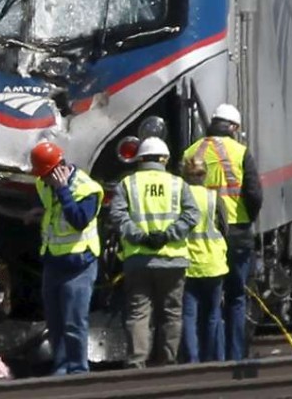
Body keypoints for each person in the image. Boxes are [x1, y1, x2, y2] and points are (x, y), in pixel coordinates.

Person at [180, 104, 262, 361]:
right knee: (236, 297)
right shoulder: (240, 151)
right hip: (237, 233)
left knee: (203, 303)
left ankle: (205, 359)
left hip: (200, 238)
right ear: (234, 128)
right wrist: (247, 218)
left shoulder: (191, 152)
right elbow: (254, 194)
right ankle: (234, 356)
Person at [108, 137, 198, 368]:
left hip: (138, 259)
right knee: (171, 313)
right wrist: (168, 235)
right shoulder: (179, 184)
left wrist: (141, 237)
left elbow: (118, 217)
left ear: (139, 159)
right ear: (164, 159)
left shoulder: (127, 184)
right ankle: (168, 361)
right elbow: (191, 215)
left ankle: (137, 362)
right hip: (172, 259)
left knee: (138, 314)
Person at [30, 141, 104, 375]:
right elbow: (54, 211)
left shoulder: (86, 188)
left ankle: (78, 371)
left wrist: (63, 190)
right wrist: (38, 213)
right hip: (53, 261)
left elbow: (80, 219)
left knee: (74, 322)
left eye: (46, 175)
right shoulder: (45, 185)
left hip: (79, 263)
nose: (43, 180)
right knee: (55, 322)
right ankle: (61, 367)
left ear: (58, 169)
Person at [179, 154, 228, 363]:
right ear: (205, 174)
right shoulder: (213, 197)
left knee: (189, 315)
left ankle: (192, 360)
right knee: (212, 315)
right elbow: (225, 228)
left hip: (188, 263)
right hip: (213, 264)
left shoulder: (179, 196)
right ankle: (211, 358)